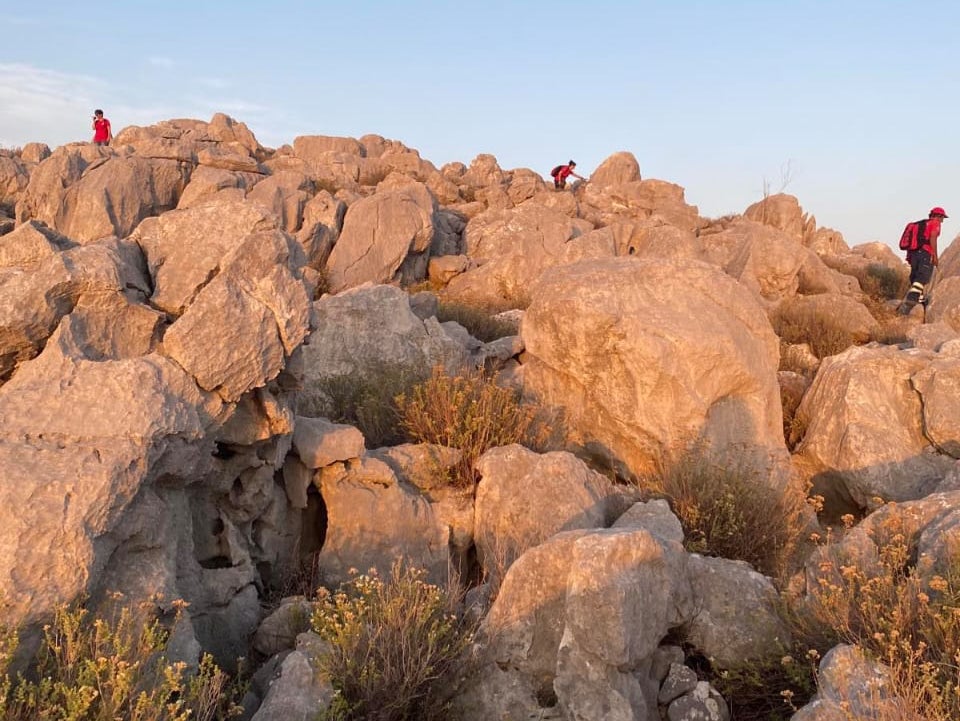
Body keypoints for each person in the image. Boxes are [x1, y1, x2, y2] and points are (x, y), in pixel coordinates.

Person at [898, 206, 948, 316]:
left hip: (914, 255)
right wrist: (935, 256)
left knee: (916, 277)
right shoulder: (935, 223)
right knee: (922, 278)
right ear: (938, 216)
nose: (942, 220)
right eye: (942, 217)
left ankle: (919, 300)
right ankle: (908, 305)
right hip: (925, 253)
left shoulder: (918, 224)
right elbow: (933, 238)